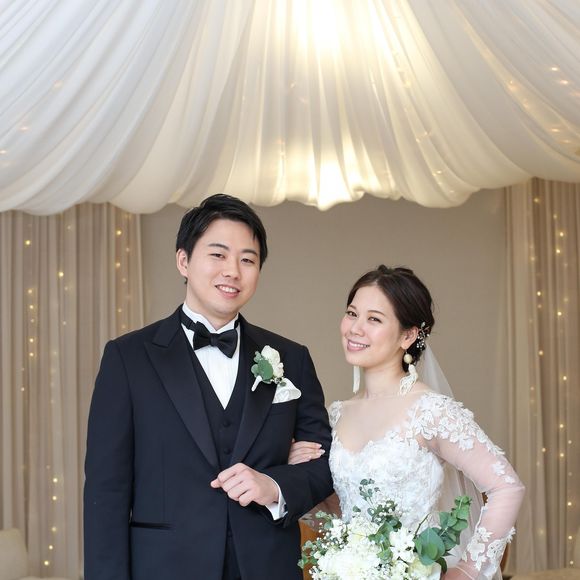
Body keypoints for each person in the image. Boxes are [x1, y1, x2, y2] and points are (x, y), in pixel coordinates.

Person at [84, 194, 333, 580]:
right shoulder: (128, 358)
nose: (232, 271)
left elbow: (325, 465)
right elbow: (106, 492)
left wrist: (274, 485)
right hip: (165, 568)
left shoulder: (291, 357)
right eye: (218, 255)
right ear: (183, 260)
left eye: (247, 260)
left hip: (268, 566)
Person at [289, 265, 525, 580]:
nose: (355, 328)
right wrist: (298, 472)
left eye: (374, 319)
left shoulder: (429, 411)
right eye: (352, 313)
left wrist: (469, 570)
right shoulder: (335, 415)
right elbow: (339, 516)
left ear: (408, 335)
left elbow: (506, 487)